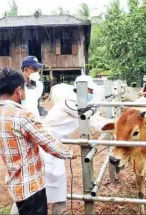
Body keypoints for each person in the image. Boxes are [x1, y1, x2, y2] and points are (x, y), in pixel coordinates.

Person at [0, 68, 76, 215]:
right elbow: (48, 143)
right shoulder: (23, 116)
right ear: (19, 90)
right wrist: (70, 153)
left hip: (14, 184)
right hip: (32, 186)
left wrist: (11, 147)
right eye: (23, 89)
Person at [41, 74, 114, 214]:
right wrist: (118, 125)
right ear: (83, 90)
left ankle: (58, 211)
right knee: (49, 181)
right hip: (47, 144)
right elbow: (92, 121)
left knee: (56, 181)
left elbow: (93, 117)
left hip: (55, 143)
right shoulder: (71, 102)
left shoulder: (78, 103)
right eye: (90, 91)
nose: (91, 94)